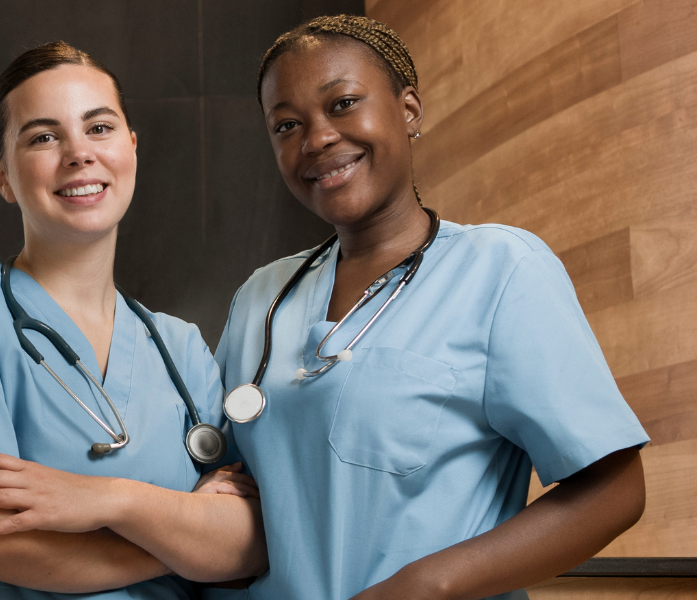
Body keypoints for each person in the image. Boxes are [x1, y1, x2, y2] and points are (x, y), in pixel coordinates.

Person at [211, 16, 650, 600]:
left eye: (342, 104)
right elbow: (228, 489)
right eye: (287, 124)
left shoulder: (499, 269)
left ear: (409, 109)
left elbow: (614, 490)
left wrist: (430, 585)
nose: (315, 139)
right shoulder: (260, 298)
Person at [0, 41, 266, 599]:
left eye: (99, 128)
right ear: (4, 178)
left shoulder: (181, 350)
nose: (79, 153)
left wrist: (105, 499)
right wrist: (183, 542)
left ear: (132, 150)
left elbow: (247, 544)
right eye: (44, 136)